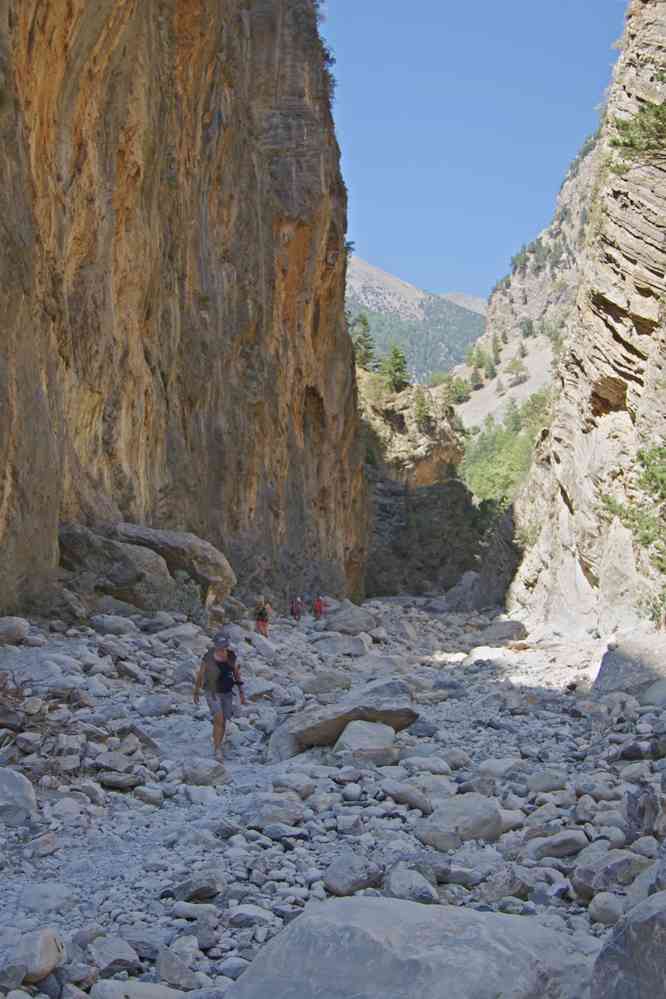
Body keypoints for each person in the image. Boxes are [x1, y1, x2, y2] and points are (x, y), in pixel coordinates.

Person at [193, 633, 246, 760]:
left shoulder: (231, 655)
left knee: (224, 721)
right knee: (219, 719)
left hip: (227, 692)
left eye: (224, 646)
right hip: (212, 691)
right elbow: (201, 674)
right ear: (215, 645)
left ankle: (219, 745)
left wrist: (241, 691)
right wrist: (196, 691)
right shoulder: (209, 656)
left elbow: (236, 673)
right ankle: (217, 750)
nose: (222, 649)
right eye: (220, 646)